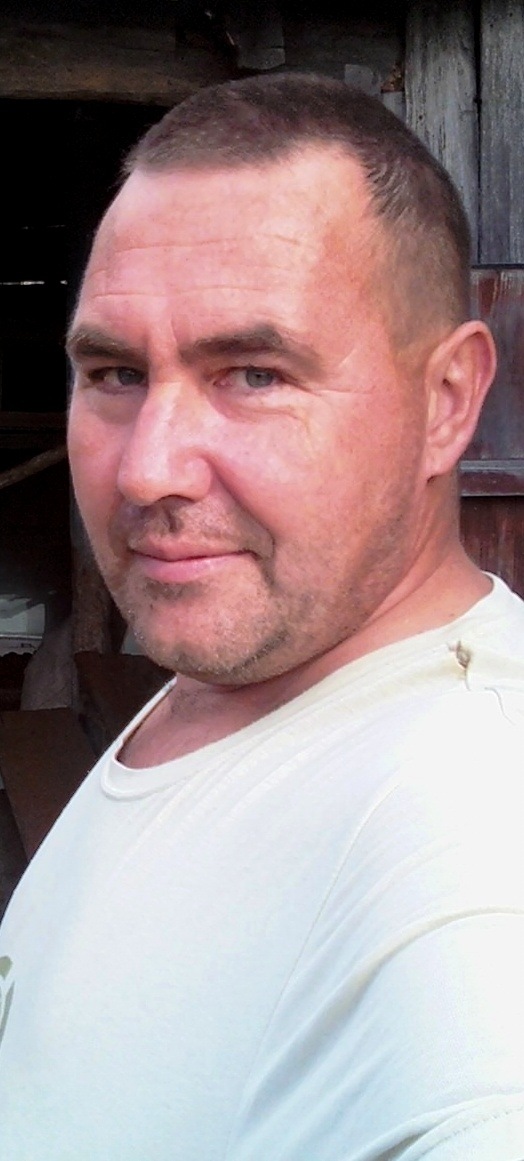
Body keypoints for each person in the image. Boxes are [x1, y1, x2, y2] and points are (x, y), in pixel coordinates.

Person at [1, 72, 523, 1159]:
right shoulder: (233, 678)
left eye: (252, 373)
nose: (146, 470)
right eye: (114, 372)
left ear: (446, 402)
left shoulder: (472, 823)